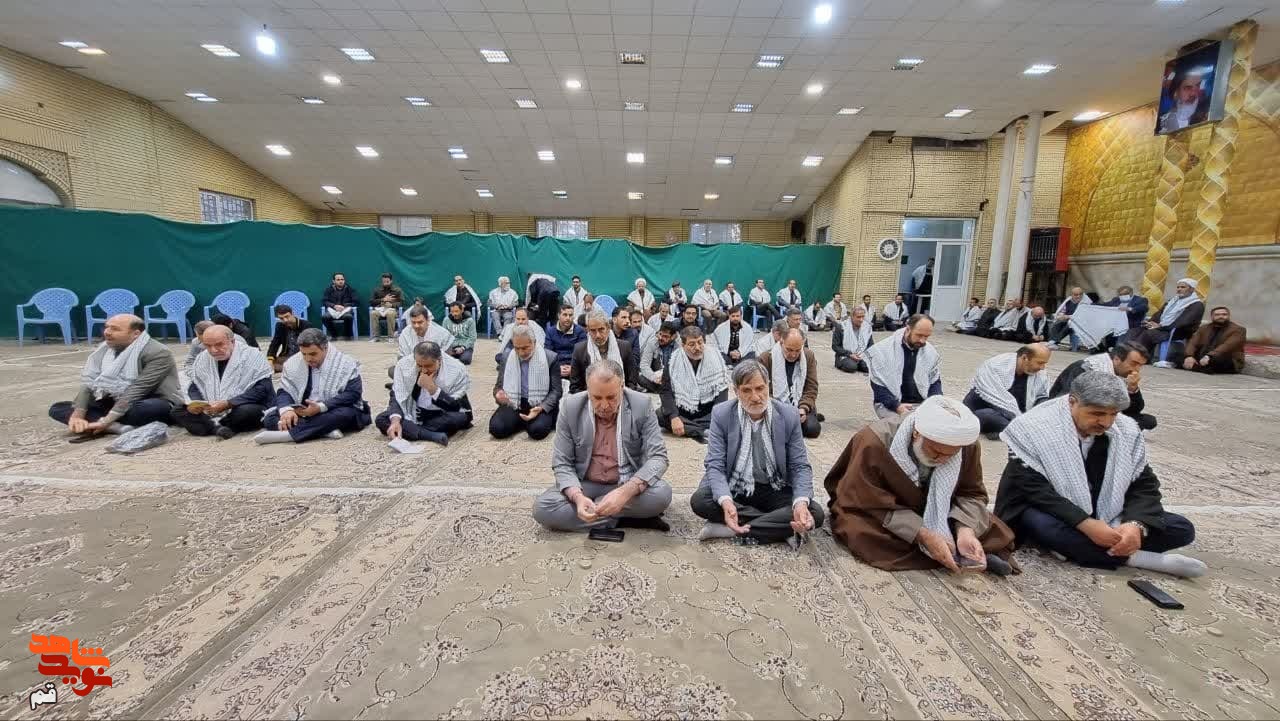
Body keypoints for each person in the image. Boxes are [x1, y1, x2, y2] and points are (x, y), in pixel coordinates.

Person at [996, 372, 1204, 577]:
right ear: (1072, 402)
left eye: (1113, 414)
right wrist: (1086, 524)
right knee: (1042, 525)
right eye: (1097, 413)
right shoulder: (1032, 428)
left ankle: (1089, 548)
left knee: (1181, 528)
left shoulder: (1125, 430)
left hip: (1107, 514)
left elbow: (1144, 484)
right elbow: (1035, 490)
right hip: (1050, 510)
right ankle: (1137, 558)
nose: (1106, 423)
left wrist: (1135, 525)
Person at [823, 395, 1017, 573]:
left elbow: (971, 493)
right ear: (916, 433)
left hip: (938, 508)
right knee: (858, 530)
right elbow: (862, 497)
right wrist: (920, 533)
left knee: (989, 526)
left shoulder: (966, 445)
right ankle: (954, 554)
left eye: (950, 455)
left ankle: (963, 551)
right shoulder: (874, 441)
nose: (942, 460)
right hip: (884, 509)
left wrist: (965, 530)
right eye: (936, 452)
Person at [691, 360, 824, 546]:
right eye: (747, 390)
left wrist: (800, 504)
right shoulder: (722, 414)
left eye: (760, 388)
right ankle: (780, 526)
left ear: (768, 386)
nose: (755, 397)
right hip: (736, 486)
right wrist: (726, 502)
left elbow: (799, 465)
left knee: (815, 513)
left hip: (775, 486)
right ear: (736, 391)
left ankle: (730, 530)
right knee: (701, 500)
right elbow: (715, 465)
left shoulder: (788, 415)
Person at [533, 360, 673, 533]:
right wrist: (578, 498)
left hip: (627, 481)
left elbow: (658, 457)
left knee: (662, 494)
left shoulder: (641, 404)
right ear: (588, 390)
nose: (604, 406)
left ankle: (598, 513)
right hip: (585, 483)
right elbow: (562, 463)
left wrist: (625, 493)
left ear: (622, 387)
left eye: (611, 397)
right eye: (597, 398)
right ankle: (624, 518)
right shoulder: (570, 407)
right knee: (543, 508)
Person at [49, 314, 182, 440]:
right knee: (58, 408)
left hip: (150, 400)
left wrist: (107, 419)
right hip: (115, 400)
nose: (107, 332)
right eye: (107, 327)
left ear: (136, 334)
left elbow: (138, 388)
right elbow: (90, 382)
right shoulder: (104, 350)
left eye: (115, 329)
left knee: (146, 409)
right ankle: (116, 427)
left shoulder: (158, 352)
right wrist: (78, 415)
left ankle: (101, 421)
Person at [256, 328, 371, 444]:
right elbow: (284, 391)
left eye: (313, 354)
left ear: (325, 347)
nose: (308, 359)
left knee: (345, 414)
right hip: (305, 410)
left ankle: (289, 435)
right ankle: (323, 431)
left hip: (331, 408)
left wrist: (320, 407)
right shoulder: (293, 363)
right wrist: (287, 410)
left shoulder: (346, 363)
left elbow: (353, 394)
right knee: (271, 417)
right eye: (304, 354)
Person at [171, 325, 273, 438]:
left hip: (243, 405)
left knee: (246, 412)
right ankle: (218, 428)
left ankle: (211, 426)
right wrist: (199, 403)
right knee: (177, 410)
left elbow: (262, 389)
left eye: (219, 344)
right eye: (208, 346)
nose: (213, 350)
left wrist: (228, 403)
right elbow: (195, 385)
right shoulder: (202, 358)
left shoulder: (253, 356)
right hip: (211, 408)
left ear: (232, 341)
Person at [375, 340, 472, 446]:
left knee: (459, 418)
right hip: (416, 411)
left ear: (439, 360)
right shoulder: (405, 365)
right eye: (419, 366)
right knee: (382, 419)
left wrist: (433, 389)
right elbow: (397, 395)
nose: (423, 370)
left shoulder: (457, 370)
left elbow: (455, 406)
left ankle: (413, 430)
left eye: (428, 366)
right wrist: (395, 421)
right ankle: (430, 435)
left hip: (441, 413)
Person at [1049, 343, 1157, 431]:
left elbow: (1134, 410)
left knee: (1148, 420)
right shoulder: (1087, 368)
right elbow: (1067, 402)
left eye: (1140, 365)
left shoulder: (1123, 374)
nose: (1137, 369)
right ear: (1116, 359)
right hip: (1077, 413)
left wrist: (1132, 388)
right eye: (1134, 364)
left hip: (1106, 412)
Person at [964, 344, 1052, 438]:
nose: (1042, 367)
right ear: (1024, 358)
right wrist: (1022, 422)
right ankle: (1017, 432)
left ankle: (1009, 432)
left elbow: (1042, 396)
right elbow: (997, 400)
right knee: (986, 415)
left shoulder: (1040, 373)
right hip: (987, 408)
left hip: (1016, 415)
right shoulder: (996, 366)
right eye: (1040, 363)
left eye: (1044, 363)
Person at [490, 326, 562, 440]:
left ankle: (526, 421)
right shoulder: (507, 356)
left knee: (538, 431)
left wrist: (542, 407)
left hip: (540, 403)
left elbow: (556, 391)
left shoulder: (550, 357)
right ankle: (520, 421)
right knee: (497, 429)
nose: (521, 352)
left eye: (525, 348)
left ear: (534, 342)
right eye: (517, 348)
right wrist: (498, 394)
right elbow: (498, 387)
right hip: (514, 403)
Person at [659, 325, 729, 442]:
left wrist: (718, 416)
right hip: (684, 411)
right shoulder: (673, 361)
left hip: (708, 412)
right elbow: (666, 391)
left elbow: (722, 390)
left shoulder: (716, 357)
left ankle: (691, 428)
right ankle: (702, 431)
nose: (697, 348)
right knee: (660, 415)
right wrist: (674, 417)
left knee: (728, 414)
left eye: (700, 342)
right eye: (692, 344)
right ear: (683, 345)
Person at [867, 314, 942, 419]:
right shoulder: (883, 350)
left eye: (926, 336)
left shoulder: (929, 351)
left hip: (921, 403)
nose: (923, 341)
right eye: (919, 335)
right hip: (891, 404)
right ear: (908, 329)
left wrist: (934, 403)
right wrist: (897, 407)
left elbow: (935, 381)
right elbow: (878, 387)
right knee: (907, 424)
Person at [1125, 278, 1205, 366]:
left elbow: (1183, 321)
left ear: (1192, 289)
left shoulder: (1196, 304)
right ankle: (1125, 354)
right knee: (1134, 331)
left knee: (1148, 334)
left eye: (1183, 287)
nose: (1179, 289)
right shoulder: (1173, 301)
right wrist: (1150, 322)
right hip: (1163, 328)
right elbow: (1159, 313)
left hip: (1179, 331)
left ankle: (1137, 358)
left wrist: (1160, 327)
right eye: (1178, 287)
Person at [759, 329, 821, 438]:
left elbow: (811, 387)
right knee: (776, 431)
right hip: (776, 406)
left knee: (812, 429)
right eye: (789, 350)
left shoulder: (808, 356)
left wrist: (803, 408)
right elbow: (762, 390)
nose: (793, 355)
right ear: (781, 342)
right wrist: (784, 410)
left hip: (800, 405)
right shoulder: (766, 358)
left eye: (797, 350)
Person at [570, 309, 637, 393]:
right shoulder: (579, 350)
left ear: (608, 328)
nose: (597, 335)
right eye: (593, 331)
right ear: (588, 330)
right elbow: (574, 386)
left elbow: (632, 381)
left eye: (601, 329)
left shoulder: (624, 347)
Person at [1181, 306, 1245, 374]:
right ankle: (1200, 368)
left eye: (1224, 314)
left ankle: (1194, 367)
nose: (1221, 316)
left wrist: (1209, 356)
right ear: (1212, 317)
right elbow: (1193, 343)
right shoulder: (1204, 328)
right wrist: (1189, 356)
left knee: (1215, 360)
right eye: (1217, 315)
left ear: (1229, 316)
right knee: (1178, 355)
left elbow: (1227, 346)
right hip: (1203, 357)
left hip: (1225, 358)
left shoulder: (1238, 330)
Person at [1158, 69, 1210, 133]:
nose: (1194, 93)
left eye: (1198, 86)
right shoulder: (1163, 119)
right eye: (1188, 88)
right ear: (1176, 92)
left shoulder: (1205, 115)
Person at [266, 304, 312, 373]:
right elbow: (274, 344)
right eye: (281, 318)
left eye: (287, 316)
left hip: (301, 357)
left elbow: (310, 346)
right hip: (286, 356)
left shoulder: (306, 325)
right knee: (265, 366)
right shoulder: (280, 326)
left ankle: (290, 369)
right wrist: (270, 360)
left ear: (292, 314)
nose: (285, 320)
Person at [545, 304, 587, 379]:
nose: (568, 318)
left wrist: (573, 368)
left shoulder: (580, 331)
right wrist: (557, 368)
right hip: (556, 368)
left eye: (570, 315)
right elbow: (548, 353)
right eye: (565, 315)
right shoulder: (550, 331)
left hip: (576, 368)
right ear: (559, 315)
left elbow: (582, 355)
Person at [639, 321, 679, 393]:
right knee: (640, 378)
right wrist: (654, 377)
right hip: (657, 377)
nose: (661, 338)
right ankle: (665, 390)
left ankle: (662, 390)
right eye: (660, 334)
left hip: (673, 378)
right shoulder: (652, 342)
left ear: (673, 337)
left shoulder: (679, 345)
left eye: (665, 336)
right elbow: (644, 364)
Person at [833, 306, 873, 373]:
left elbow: (870, 345)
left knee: (870, 367)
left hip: (861, 355)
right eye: (858, 317)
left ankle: (860, 364)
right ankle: (846, 363)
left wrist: (865, 355)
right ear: (852, 317)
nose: (861, 320)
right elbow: (835, 346)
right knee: (852, 367)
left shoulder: (867, 327)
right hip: (845, 355)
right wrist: (850, 354)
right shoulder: (841, 327)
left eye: (863, 317)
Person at [368, 272, 404, 342]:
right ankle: (376, 337)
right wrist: (383, 299)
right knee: (373, 313)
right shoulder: (377, 290)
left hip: (392, 310)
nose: (385, 283)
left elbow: (402, 302)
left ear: (391, 281)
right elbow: (371, 302)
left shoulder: (397, 290)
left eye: (387, 281)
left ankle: (391, 337)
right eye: (384, 282)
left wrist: (392, 305)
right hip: (380, 309)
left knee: (390, 314)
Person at [321, 272, 358, 339]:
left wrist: (344, 306)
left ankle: (347, 335)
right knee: (325, 317)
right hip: (333, 310)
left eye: (342, 279)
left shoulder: (350, 290)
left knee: (348, 317)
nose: (340, 281)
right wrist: (334, 306)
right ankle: (334, 335)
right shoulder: (328, 290)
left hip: (345, 310)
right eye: (338, 280)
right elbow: (324, 301)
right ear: (333, 281)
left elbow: (355, 301)